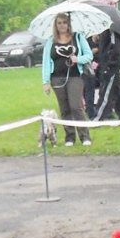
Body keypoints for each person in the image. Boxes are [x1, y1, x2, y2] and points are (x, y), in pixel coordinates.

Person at [42, 12, 93, 146]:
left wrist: (78, 59)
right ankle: (69, 137)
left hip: (75, 76)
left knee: (76, 106)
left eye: (64, 22)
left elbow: (89, 55)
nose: (62, 25)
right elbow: (46, 61)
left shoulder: (78, 37)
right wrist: (45, 82)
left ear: (69, 24)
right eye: (59, 23)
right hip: (57, 78)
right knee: (64, 108)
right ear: (55, 25)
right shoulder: (50, 41)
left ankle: (85, 136)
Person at [94, 29, 120, 121]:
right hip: (107, 64)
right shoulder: (105, 33)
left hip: (110, 66)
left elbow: (115, 49)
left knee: (105, 92)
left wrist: (110, 65)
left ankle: (98, 118)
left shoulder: (112, 32)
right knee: (117, 91)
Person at [83, 34, 99, 120]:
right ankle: (91, 112)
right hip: (87, 68)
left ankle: (90, 109)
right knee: (89, 90)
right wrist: (91, 52)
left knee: (88, 90)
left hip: (94, 67)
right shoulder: (84, 40)